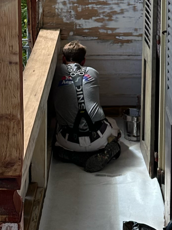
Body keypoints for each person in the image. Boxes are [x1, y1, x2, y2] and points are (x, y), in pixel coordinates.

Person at [52, 40, 121, 173]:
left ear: (63, 59)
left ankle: (74, 157)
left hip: (69, 141)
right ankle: (109, 149)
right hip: (98, 138)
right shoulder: (93, 73)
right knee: (112, 123)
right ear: (83, 61)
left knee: (57, 140)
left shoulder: (55, 71)